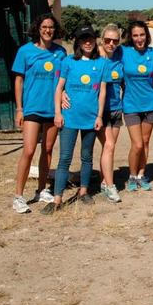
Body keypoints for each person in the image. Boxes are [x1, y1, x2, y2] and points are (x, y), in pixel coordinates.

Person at [42, 26, 106, 215]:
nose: (88, 42)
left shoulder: (101, 63)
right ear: (78, 42)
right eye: (83, 39)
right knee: (65, 158)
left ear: (95, 41)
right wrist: (58, 113)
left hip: (91, 118)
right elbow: (59, 88)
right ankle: (57, 199)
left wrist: (100, 116)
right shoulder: (68, 61)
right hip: (69, 118)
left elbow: (102, 91)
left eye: (91, 39)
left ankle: (84, 191)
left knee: (87, 157)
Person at [11, 13, 67, 214]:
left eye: (51, 27)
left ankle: (42, 189)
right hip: (32, 109)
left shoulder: (61, 53)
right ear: (38, 28)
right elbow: (19, 81)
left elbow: (64, 79)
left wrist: (64, 97)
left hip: (52, 110)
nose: (48, 30)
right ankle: (18, 196)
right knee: (28, 150)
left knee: (48, 149)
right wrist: (19, 108)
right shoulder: (25, 52)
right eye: (44, 27)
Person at [121, 21, 153, 192]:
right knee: (137, 144)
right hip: (131, 105)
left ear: (146, 35)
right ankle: (132, 176)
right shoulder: (124, 52)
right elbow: (104, 53)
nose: (139, 38)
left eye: (142, 35)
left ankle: (142, 175)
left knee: (146, 141)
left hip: (150, 104)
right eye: (135, 35)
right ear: (131, 37)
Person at [98, 24, 124, 203]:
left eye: (115, 40)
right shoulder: (95, 58)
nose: (111, 43)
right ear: (102, 40)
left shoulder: (120, 57)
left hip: (116, 109)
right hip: (101, 111)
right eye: (107, 40)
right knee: (109, 145)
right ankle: (110, 185)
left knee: (108, 148)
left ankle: (103, 180)